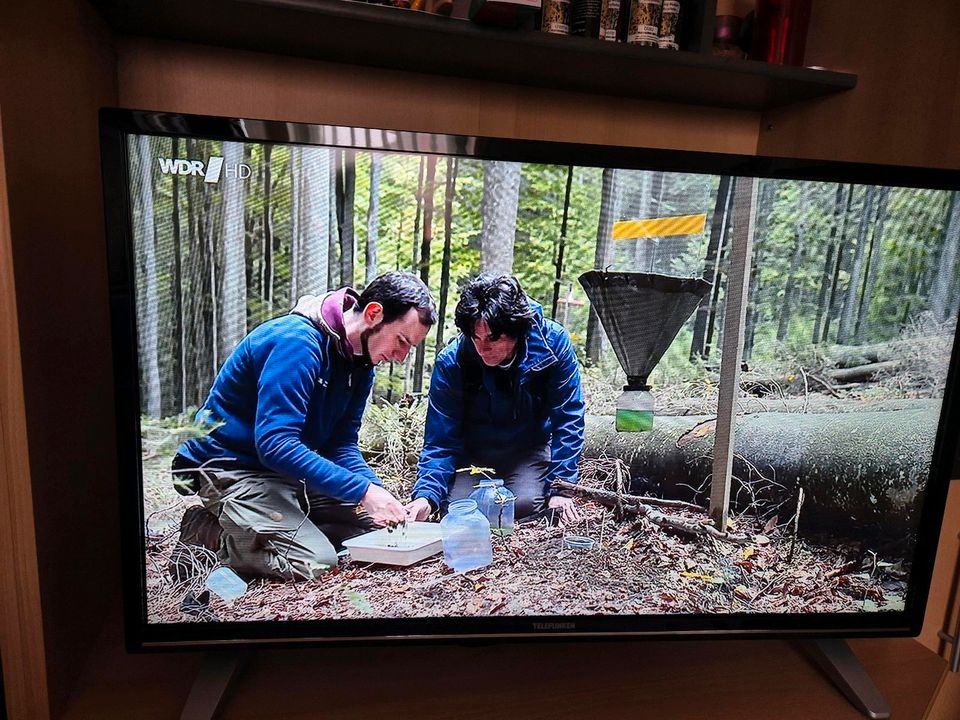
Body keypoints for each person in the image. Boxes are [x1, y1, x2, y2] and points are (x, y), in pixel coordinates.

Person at [170, 271, 436, 582]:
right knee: (317, 562)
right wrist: (362, 491)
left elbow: (341, 444)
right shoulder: (296, 343)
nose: (401, 357)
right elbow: (274, 444)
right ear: (374, 313)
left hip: (287, 473)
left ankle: (279, 528)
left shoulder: (361, 364)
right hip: (234, 467)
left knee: (369, 530)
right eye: (401, 341)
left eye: (410, 348)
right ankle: (211, 535)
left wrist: (376, 492)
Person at [405, 274, 585, 526]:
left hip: (528, 449)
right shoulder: (452, 362)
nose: (483, 348)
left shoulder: (552, 345)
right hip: (473, 455)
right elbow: (440, 441)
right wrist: (426, 497)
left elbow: (568, 418)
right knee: (458, 510)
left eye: (493, 338)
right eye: (475, 338)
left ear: (516, 332)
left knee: (523, 505)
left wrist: (562, 489)